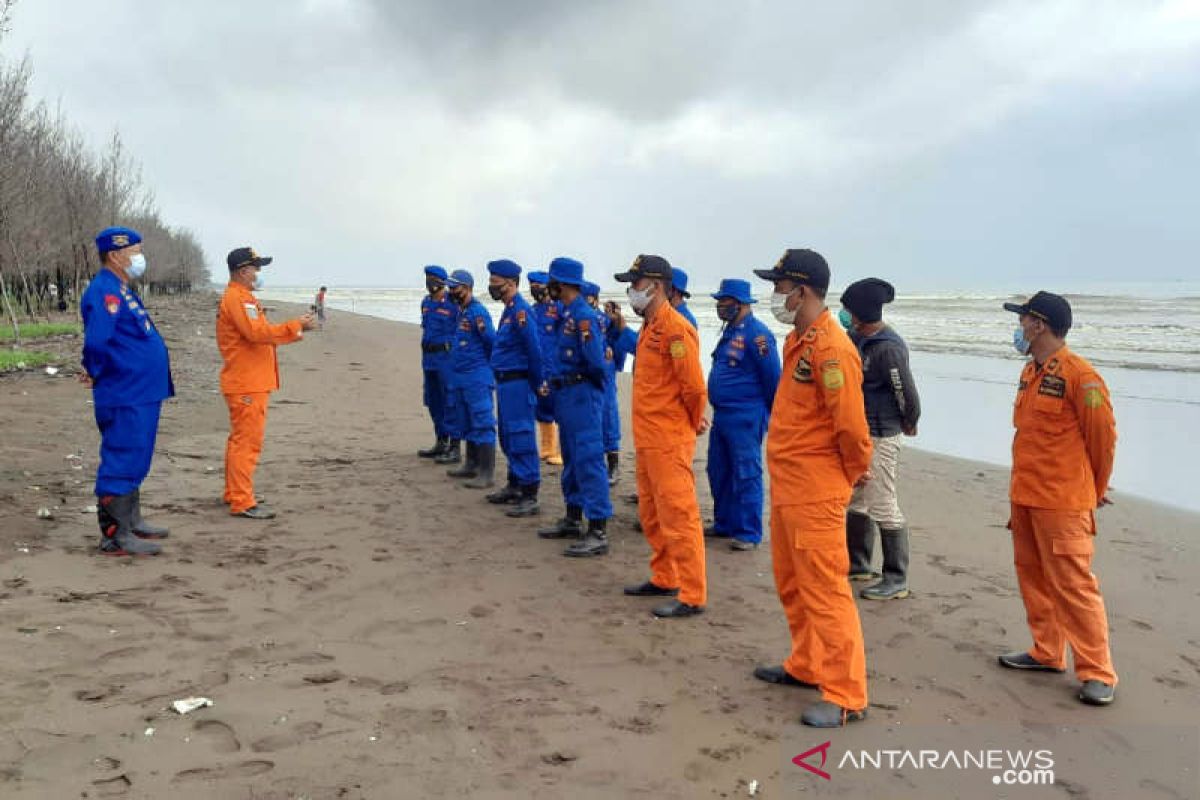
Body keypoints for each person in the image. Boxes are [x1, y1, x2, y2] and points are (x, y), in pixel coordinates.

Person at [752, 248, 873, 728]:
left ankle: (846, 694)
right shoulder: (798, 340)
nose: (775, 294)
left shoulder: (831, 348)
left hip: (816, 490)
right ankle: (806, 664)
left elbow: (851, 428)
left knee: (825, 591)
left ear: (800, 291)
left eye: (779, 286)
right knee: (793, 582)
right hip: (789, 485)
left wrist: (846, 474)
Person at [999, 291, 1118, 707]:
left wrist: (1094, 492)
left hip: (1063, 502)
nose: (1019, 327)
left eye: (1023, 320)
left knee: (1073, 585)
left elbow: (1102, 440)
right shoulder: (1031, 372)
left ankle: (1098, 671)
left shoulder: (1081, 376)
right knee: (1032, 577)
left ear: (1039, 324)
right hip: (1026, 496)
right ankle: (1046, 652)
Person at [613, 255, 709, 618]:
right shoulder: (649, 326)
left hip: (668, 439)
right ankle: (665, 575)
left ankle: (693, 593)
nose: (630, 291)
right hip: (648, 437)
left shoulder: (676, 328)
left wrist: (691, 424)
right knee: (653, 513)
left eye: (635, 284)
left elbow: (694, 389)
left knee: (679, 516)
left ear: (656, 285)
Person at [80, 226, 174, 555]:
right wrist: (94, 370)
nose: (139, 256)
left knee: (137, 455)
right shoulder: (104, 291)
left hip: (142, 389)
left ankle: (131, 520)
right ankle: (114, 534)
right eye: (135, 250)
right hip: (125, 391)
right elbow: (97, 341)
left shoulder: (122, 288)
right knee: (122, 456)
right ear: (116, 255)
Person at [217, 247, 315, 519]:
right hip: (247, 381)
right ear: (242, 271)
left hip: (247, 379)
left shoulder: (242, 297)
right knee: (246, 442)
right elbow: (257, 333)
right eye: (255, 268)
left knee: (240, 440)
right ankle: (241, 500)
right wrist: (295, 326)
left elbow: (256, 333)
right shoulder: (239, 299)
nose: (258, 274)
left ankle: (235, 493)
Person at [839, 278, 921, 600]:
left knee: (883, 503)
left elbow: (905, 391)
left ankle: (896, 577)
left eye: (847, 309)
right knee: (857, 499)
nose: (844, 315)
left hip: (881, 432)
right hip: (861, 431)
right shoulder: (856, 338)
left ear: (859, 311)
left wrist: (909, 420)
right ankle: (858, 563)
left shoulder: (888, 347)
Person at [535, 257, 612, 557]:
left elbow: (596, 364)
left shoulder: (584, 317)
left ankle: (597, 530)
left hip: (581, 395)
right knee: (571, 457)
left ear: (562, 284)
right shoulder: (568, 314)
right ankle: (572, 516)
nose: (547, 288)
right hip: (566, 395)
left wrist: (585, 389)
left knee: (589, 459)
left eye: (552, 282)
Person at [704, 278, 781, 552]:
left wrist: (771, 416)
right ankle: (724, 523)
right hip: (722, 415)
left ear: (740, 304)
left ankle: (748, 532)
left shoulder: (758, 335)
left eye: (724, 301)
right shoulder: (730, 331)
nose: (720, 306)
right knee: (718, 469)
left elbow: (773, 380)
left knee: (746, 472)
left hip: (746, 416)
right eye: (719, 301)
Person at [484, 259, 544, 517]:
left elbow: (534, 349)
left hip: (519, 383)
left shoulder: (521, 311)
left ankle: (529, 492)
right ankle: (514, 484)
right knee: (507, 436)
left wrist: (538, 382)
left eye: (496, 284)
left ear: (511, 283)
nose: (492, 287)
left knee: (521, 436)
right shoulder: (509, 311)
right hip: (506, 383)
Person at [440, 270, 497, 487]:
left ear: (468, 288)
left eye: (455, 288)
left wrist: (487, 370)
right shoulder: (461, 312)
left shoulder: (478, 312)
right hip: (461, 376)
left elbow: (491, 342)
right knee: (467, 421)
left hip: (477, 376)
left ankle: (486, 472)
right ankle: (471, 464)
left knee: (482, 422)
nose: (451, 292)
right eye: (450, 288)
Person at [582, 281, 621, 486]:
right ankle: (596, 465)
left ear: (595, 299)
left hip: (604, 374)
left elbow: (617, 343)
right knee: (592, 421)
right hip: (589, 375)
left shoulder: (605, 320)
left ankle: (613, 466)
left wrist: (615, 363)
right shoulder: (578, 318)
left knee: (608, 419)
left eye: (586, 297)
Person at [418, 266, 459, 460]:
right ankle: (441, 440)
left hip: (446, 358)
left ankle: (455, 446)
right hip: (428, 359)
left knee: (450, 400)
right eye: (428, 278)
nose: (430, 283)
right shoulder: (426, 303)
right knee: (433, 401)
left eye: (434, 279)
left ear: (443, 282)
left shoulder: (452, 303)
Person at [528, 271, 564, 466]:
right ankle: (547, 448)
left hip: (555, 365)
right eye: (531, 284)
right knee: (541, 407)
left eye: (537, 284)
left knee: (557, 407)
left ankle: (559, 450)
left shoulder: (558, 308)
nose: (534, 288)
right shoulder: (533, 309)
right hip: (539, 366)